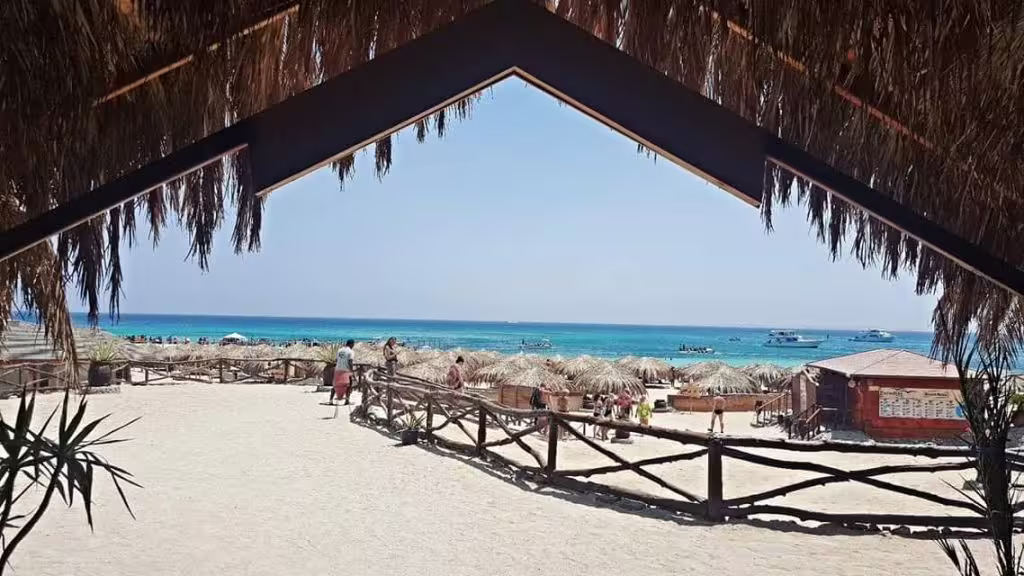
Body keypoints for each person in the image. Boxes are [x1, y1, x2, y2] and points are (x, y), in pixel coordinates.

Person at [332, 339, 355, 405]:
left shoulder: (339, 350)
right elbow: (350, 361)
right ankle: (347, 400)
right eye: (353, 344)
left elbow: (336, 360)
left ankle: (331, 400)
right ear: (351, 344)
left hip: (338, 369)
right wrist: (351, 370)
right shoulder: (351, 351)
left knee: (335, 385)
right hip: (346, 370)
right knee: (348, 385)